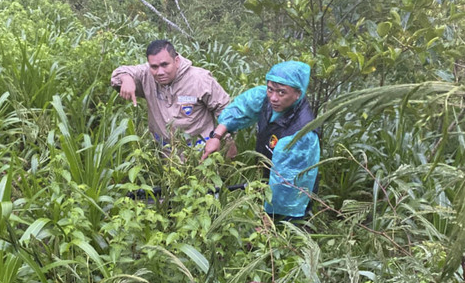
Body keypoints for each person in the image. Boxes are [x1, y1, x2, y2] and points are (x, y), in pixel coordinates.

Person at [201, 61, 320, 220]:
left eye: (281, 92)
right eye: (270, 89)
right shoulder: (267, 99)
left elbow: (287, 188)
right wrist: (216, 137)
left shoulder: (301, 135)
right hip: (268, 177)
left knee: (281, 233)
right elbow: (241, 108)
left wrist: (266, 218)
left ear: (298, 93)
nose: (273, 98)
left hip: (290, 198)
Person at [111, 40, 231, 145]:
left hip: (199, 153)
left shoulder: (200, 79)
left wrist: (227, 140)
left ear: (176, 61)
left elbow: (225, 110)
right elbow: (120, 72)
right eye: (154, 67)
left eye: (165, 65)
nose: (160, 72)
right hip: (164, 155)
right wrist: (126, 78)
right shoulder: (146, 75)